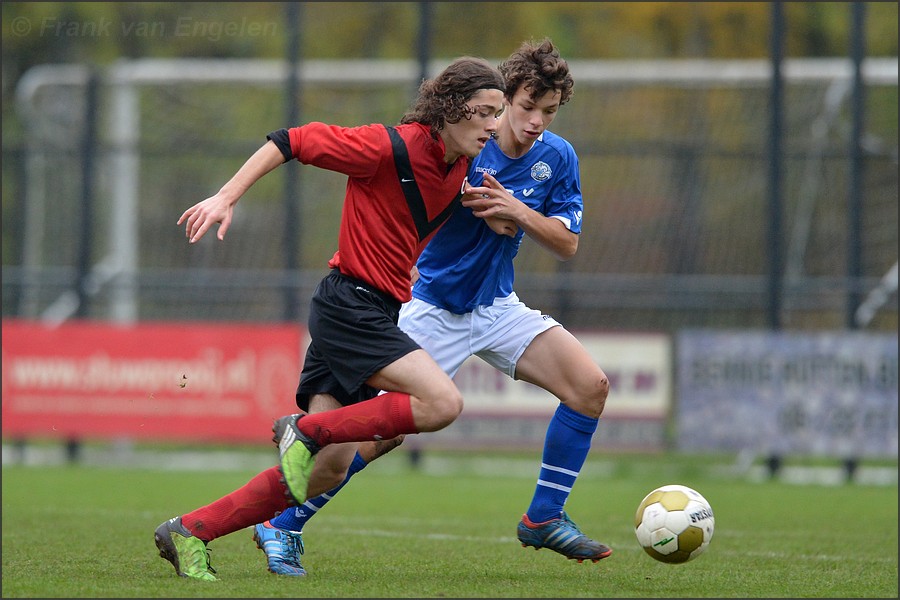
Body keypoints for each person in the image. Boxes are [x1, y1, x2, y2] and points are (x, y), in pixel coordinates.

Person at [253, 38, 612, 577]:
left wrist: (515, 211)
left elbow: (567, 243)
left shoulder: (557, 157)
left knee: (591, 387)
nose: (536, 121)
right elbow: (417, 193)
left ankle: (543, 517)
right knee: (381, 433)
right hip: (431, 306)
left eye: (549, 111)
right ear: (503, 98)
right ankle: (282, 525)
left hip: (497, 307)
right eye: (526, 107)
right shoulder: (468, 145)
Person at [153, 56, 506, 581]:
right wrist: (226, 196)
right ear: (452, 108)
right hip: (350, 306)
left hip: (372, 309)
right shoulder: (388, 146)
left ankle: (191, 530)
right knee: (441, 403)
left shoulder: (462, 169)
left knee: (326, 471)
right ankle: (307, 428)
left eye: (499, 114)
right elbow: (291, 139)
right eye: (485, 112)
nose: (493, 124)